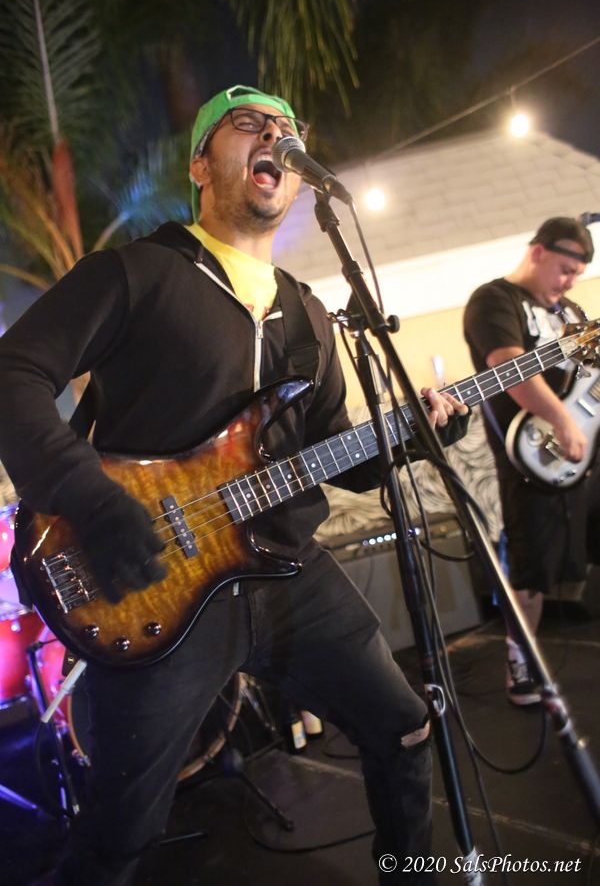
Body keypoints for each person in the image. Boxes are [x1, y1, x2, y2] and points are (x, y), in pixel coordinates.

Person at [0, 84, 469, 886]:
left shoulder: (309, 313)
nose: (275, 135)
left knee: (404, 727)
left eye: (287, 127)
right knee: (120, 832)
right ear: (200, 166)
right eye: (249, 123)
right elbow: (15, 371)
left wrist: (415, 439)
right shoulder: (137, 274)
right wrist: (89, 496)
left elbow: (330, 450)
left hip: (287, 571)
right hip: (154, 580)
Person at [463, 216, 600, 706]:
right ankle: (522, 662)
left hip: (584, 451)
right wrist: (561, 422)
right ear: (538, 252)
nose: (570, 282)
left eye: (577, 274)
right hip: (530, 457)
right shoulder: (495, 300)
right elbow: (507, 364)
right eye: (565, 269)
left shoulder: (570, 314)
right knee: (530, 571)